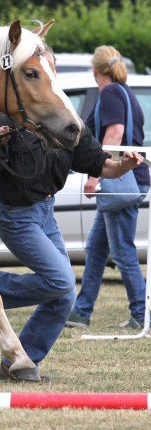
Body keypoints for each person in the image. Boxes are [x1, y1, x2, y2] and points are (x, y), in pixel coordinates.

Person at [0, 48, 144, 383]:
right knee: (62, 281)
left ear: (54, 71)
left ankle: (17, 365)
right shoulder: (8, 118)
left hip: (46, 214)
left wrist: (125, 164)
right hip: (17, 218)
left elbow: (103, 164)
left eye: (49, 65)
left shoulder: (68, 120)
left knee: (64, 296)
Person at [66, 46, 150, 330]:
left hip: (119, 183)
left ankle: (142, 313)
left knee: (123, 251)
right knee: (97, 248)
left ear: (95, 70)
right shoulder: (125, 91)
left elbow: (114, 134)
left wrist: (96, 174)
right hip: (127, 183)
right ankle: (81, 311)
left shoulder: (112, 93)